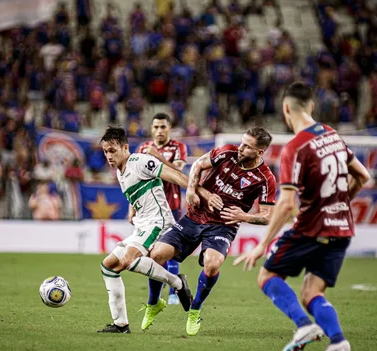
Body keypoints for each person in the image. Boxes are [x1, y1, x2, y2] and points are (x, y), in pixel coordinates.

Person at [234, 82, 370, 351]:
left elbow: (285, 205)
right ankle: (339, 343)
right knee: (311, 292)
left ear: (286, 109)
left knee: (268, 277)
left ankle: (304, 326)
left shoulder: (295, 148)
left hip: (312, 228)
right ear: (311, 106)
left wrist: (261, 245)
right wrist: (339, 203)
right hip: (342, 228)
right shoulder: (332, 135)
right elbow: (363, 176)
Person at [144, 126, 277, 336]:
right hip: (195, 216)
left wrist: (243, 216)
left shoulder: (265, 178)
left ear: (260, 152)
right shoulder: (227, 152)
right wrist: (190, 190)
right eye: (242, 142)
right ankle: (153, 303)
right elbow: (197, 164)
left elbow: (267, 216)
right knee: (157, 254)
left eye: (247, 147)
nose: (240, 148)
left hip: (223, 226)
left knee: (213, 264)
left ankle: (195, 309)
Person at [97, 127, 220, 334]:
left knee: (128, 260)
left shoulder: (140, 161)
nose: (109, 156)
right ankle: (121, 324)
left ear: (125, 148)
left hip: (157, 222)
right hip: (142, 225)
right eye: (106, 151)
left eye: (113, 150)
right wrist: (134, 211)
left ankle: (177, 283)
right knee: (108, 266)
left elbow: (174, 175)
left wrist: (199, 192)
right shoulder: (121, 171)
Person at [134, 113, 188, 306]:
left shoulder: (178, 147)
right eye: (156, 127)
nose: (159, 131)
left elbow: (179, 171)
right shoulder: (142, 149)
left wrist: (157, 157)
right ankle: (157, 295)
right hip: (148, 208)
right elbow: (136, 180)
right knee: (151, 253)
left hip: (170, 207)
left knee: (169, 250)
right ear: (151, 129)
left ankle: (174, 293)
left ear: (169, 128)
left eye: (163, 127)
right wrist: (132, 208)